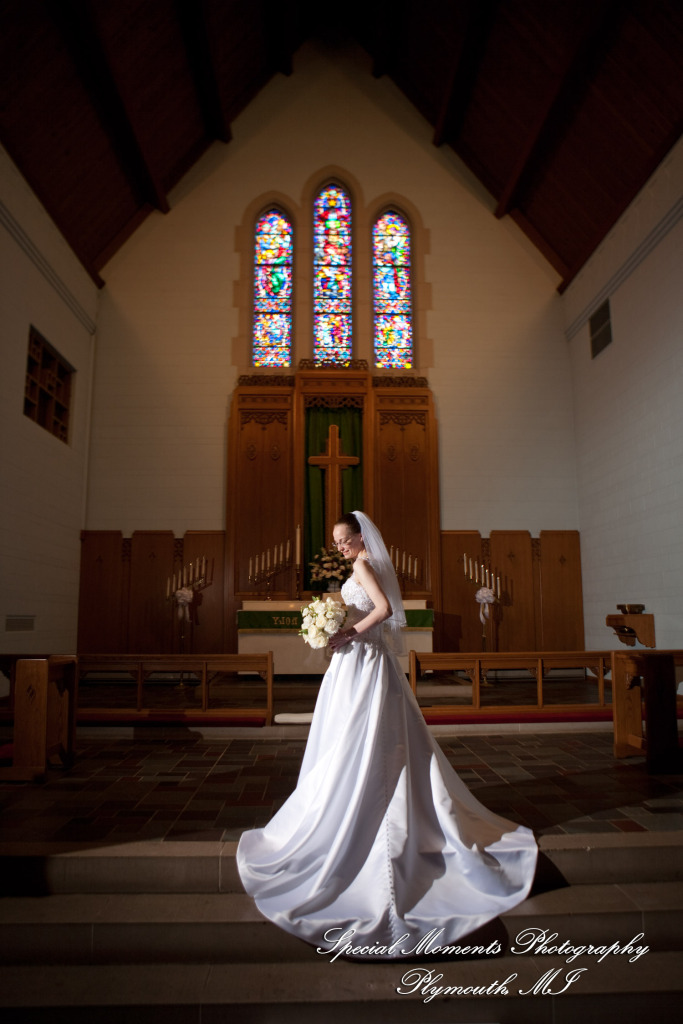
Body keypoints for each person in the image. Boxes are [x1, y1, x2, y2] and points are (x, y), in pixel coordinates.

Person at [236, 510, 538, 957]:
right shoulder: (361, 566)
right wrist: (333, 625)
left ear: (360, 538)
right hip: (357, 660)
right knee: (358, 737)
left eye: (345, 540)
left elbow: (385, 609)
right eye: (336, 543)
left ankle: (369, 810)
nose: (340, 547)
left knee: (364, 735)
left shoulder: (363, 567)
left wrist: (346, 633)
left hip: (363, 657)